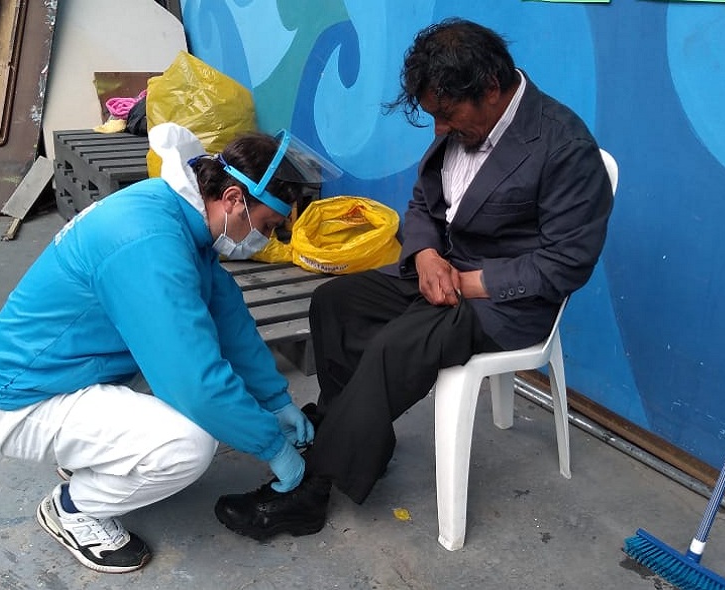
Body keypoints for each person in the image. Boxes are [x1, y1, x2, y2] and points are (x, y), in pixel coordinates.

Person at [214, 18, 614, 540]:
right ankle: (359, 439)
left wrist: (468, 283)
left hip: (504, 304)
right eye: (433, 117)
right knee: (335, 303)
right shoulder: (461, 126)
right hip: (441, 274)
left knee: (393, 346)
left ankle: (311, 493)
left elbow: (566, 263)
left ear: (490, 89)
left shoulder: (563, 146)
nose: (439, 130)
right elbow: (426, 201)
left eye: (446, 115)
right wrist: (424, 253)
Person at [0, 123, 341, 574]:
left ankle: (90, 456)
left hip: (61, 370)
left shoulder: (174, 214)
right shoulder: (150, 244)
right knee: (187, 445)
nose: (267, 239)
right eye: (268, 226)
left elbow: (228, 321)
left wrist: (275, 399)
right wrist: (272, 447)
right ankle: (74, 508)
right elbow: (195, 382)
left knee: (189, 391)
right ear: (233, 200)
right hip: (22, 401)